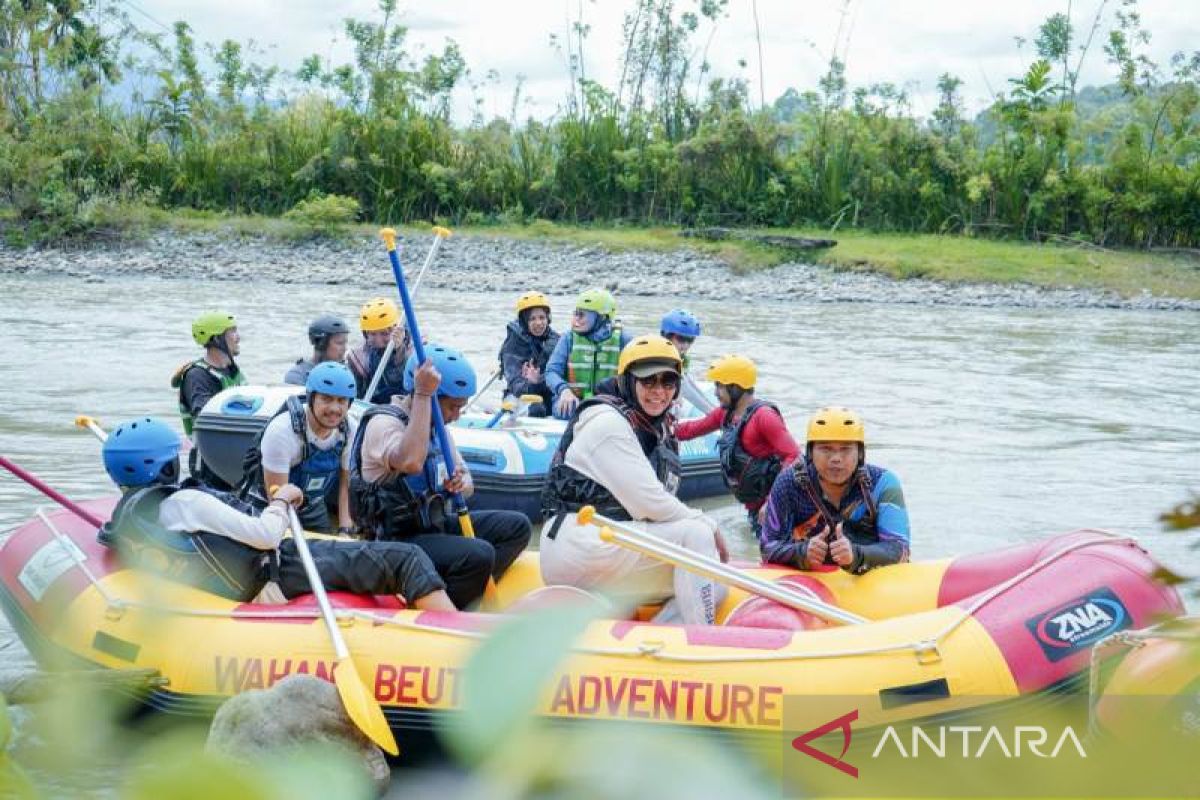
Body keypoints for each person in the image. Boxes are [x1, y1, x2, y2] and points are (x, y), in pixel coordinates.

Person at [98, 416, 455, 610]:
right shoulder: (185, 504)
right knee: (408, 558)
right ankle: (456, 645)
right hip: (278, 570)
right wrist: (283, 499)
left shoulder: (135, 517)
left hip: (263, 567)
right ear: (162, 467)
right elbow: (267, 535)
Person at [540, 335, 728, 625]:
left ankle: (662, 637)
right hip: (577, 544)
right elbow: (651, 504)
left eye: (668, 382)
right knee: (697, 535)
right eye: (648, 381)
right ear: (628, 381)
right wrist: (708, 523)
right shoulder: (608, 424)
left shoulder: (656, 427)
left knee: (715, 582)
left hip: (609, 544)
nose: (659, 391)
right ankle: (703, 641)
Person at [349, 344, 532, 608]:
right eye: (451, 407)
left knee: (517, 527)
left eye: (461, 408)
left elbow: (468, 484)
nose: (456, 416)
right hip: (393, 540)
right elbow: (411, 461)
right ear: (430, 398)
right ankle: (449, 610)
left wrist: (460, 482)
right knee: (478, 554)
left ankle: (459, 587)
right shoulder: (384, 423)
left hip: (429, 526)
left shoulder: (440, 431)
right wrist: (424, 395)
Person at [759, 406, 910, 574]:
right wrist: (802, 551)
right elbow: (767, 548)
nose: (836, 459)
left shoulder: (883, 484)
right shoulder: (789, 483)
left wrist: (855, 554)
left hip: (867, 576)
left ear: (860, 453)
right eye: (825, 449)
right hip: (814, 580)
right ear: (810, 453)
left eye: (846, 449)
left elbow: (900, 549)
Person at [675, 354, 799, 536]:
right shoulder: (725, 414)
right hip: (754, 507)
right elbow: (690, 430)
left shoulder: (764, 417)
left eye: (719, 386)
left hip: (776, 509)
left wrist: (773, 502)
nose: (716, 392)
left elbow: (795, 456)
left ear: (735, 387)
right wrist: (658, 425)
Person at [239, 362, 359, 534]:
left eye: (341, 401)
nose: (334, 408)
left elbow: (345, 486)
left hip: (312, 506)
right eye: (326, 399)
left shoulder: (349, 430)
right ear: (311, 398)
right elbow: (277, 501)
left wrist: (345, 529)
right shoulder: (282, 432)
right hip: (270, 505)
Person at [171, 310, 246, 488]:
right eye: (232, 331)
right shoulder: (197, 376)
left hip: (233, 456)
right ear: (216, 339)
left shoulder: (231, 371)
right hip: (209, 464)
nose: (238, 337)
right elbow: (206, 416)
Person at [544, 288, 632, 420]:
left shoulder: (623, 340)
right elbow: (551, 371)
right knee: (568, 409)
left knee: (613, 414)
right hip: (573, 402)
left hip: (610, 403)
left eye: (582, 315)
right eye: (575, 313)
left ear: (601, 318)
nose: (576, 319)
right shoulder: (568, 338)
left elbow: (635, 378)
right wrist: (564, 390)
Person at [498, 291, 561, 417]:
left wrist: (539, 380)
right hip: (519, 396)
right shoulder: (513, 344)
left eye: (542, 318)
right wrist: (532, 383)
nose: (538, 323)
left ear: (548, 318)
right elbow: (516, 385)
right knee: (537, 409)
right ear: (524, 320)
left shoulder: (556, 340)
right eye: (532, 319)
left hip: (547, 393)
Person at [346, 297, 410, 404]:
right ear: (365, 333)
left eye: (384, 333)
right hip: (373, 406)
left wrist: (398, 351)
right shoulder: (357, 357)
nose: (378, 340)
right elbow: (355, 395)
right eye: (372, 334)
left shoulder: (414, 350)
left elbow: (402, 384)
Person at [659, 308, 712, 412]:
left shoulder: (679, 357)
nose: (686, 345)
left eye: (690, 340)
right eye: (681, 339)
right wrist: (714, 415)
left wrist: (715, 412)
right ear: (666, 336)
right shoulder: (663, 357)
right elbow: (686, 389)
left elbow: (688, 383)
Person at [284, 314, 351, 386]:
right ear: (321, 344)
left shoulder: (349, 372)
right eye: (339, 343)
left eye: (345, 342)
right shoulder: (298, 376)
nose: (345, 348)